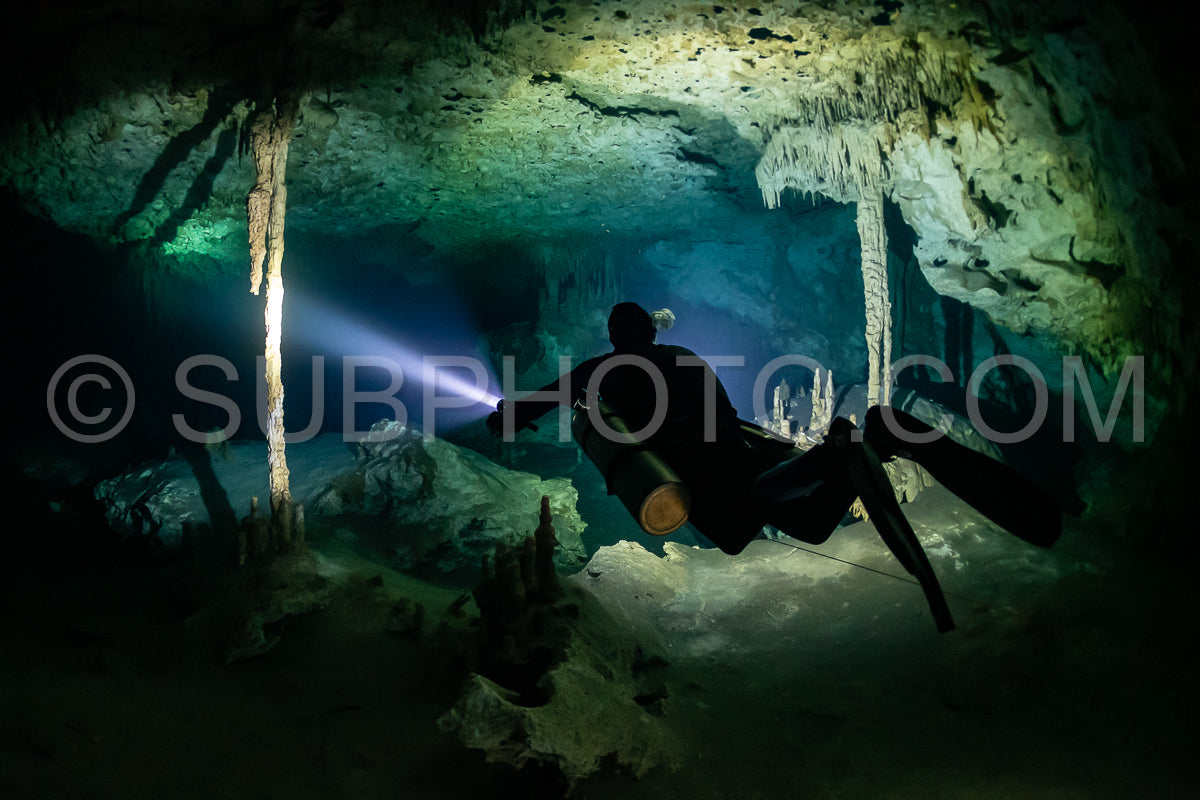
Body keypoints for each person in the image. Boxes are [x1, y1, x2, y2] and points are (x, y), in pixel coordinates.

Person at [488, 302, 1060, 629]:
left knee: (743, 526)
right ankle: (866, 445)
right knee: (809, 523)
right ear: (652, 332)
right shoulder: (685, 358)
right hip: (743, 453)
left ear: (615, 337)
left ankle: (863, 438)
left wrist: (504, 418)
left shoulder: (601, 371)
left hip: (714, 480)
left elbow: (540, 401)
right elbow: (725, 412)